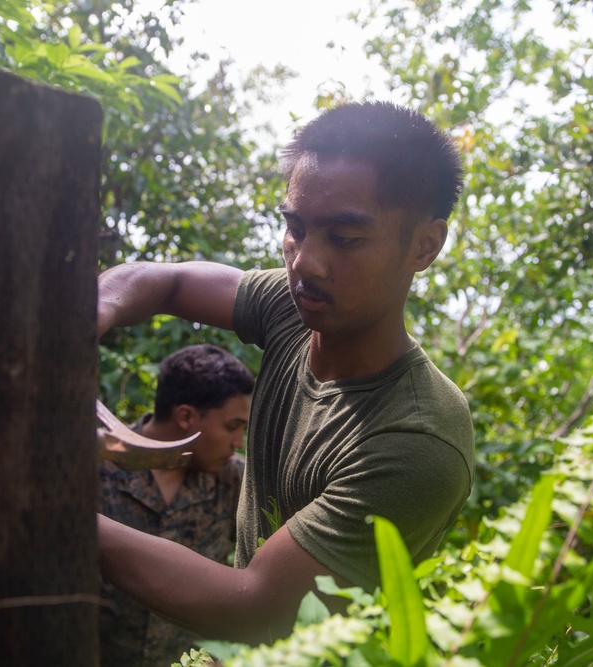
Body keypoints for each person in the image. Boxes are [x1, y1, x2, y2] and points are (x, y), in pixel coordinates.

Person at [96, 101, 475, 645]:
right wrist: (83, 315)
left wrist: (49, 505)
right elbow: (161, 281)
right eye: (295, 228)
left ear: (425, 245)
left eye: (345, 238)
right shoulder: (294, 307)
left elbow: (257, 607)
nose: (305, 262)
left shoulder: (419, 439)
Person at [98, 343, 254, 666]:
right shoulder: (96, 468)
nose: (239, 442)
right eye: (231, 426)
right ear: (185, 416)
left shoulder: (236, 481)